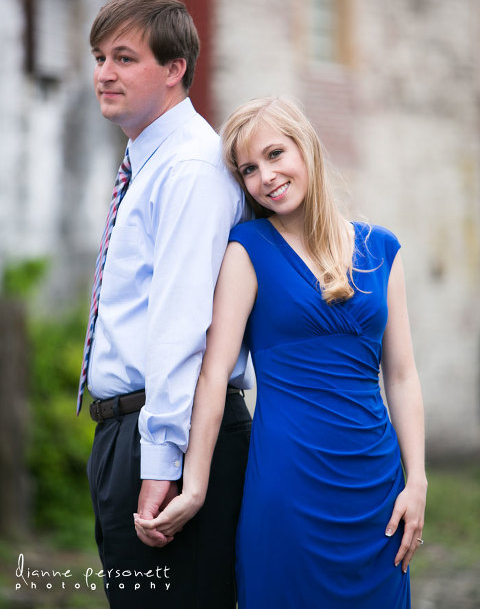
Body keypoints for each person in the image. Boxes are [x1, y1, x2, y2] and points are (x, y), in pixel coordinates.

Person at [135, 96, 428, 608]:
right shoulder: (246, 249)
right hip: (288, 486)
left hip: (376, 488)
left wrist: (417, 479)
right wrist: (195, 486)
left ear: (306, 148)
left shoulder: (382, 249)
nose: (265, 176)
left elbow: (401, 376)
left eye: (275, 154)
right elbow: (212, 376)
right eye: (249, 168)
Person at [77, 0, 252, 609]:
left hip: (166, 434)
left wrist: (159, 463)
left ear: (175, 68)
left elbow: (183, 328)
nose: (104, 73)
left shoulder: (189, 169)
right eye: (99, 57)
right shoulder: (150, 161)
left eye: (124, 58)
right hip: (132, 432)